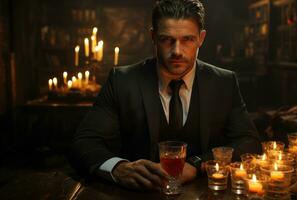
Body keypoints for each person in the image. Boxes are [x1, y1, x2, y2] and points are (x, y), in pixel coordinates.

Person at [71, 0, 261, 191]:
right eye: (167, 40)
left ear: (201, 38)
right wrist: (118, 168)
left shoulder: (224, 82)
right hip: (135, 196)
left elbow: (249, 142)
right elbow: (84, 143)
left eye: (187, 39)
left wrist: (197, 164)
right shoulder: (122, 81)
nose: (177, 51)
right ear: (153, 37)